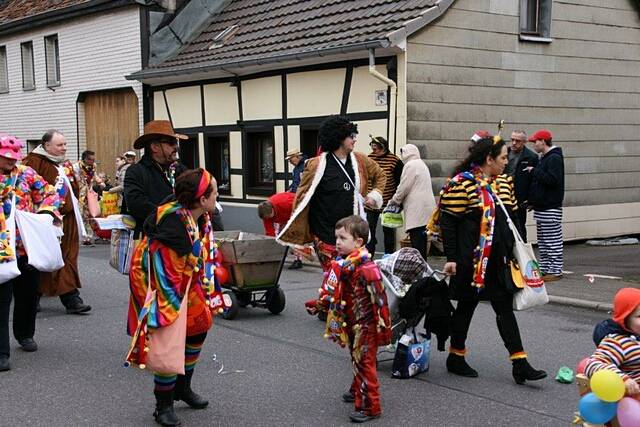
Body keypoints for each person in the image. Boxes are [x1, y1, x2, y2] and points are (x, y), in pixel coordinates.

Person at [439, 133, 546, 384]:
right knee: (466, 306)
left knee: (504, 309)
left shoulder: (505, 183)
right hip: (471, 262)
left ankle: (520, 363)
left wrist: (519, 249)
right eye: (502, 158)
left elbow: (514, 217)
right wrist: (452, 258)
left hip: (499, 261)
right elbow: (448, 222)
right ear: (489, 159)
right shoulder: (461, 184)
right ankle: (456, 356)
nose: (506, 162)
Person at [127, 169, 220, 426]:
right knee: (169, 341)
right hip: (163, 282)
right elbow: (167, 273)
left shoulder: (200, 216)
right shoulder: (173, 224)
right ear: (202, 199)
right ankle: (163, 405)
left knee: (199, 325)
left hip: (187, 278)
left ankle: (183, 387)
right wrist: (168, 311)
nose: (218, 194)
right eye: (214, 190)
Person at [276, 115, 386, 318]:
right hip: (325, 232)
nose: (354, 139)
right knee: (338, 271)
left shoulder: (361, 160)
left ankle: (327, 304)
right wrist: (299, 234)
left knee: (347, 272)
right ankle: (336, 308)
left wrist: (374, 195)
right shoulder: (316, 165)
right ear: (338, 138)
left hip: (352, 230)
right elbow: (302, 197)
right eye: (350, 136)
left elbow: (381, 175)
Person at [0, 135, 62, 372]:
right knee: (1, 300)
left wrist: (45, 212)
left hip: (25, 246)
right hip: (1, 251)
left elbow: (49, 193)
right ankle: (1, 352)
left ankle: (25, 334)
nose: (9, 162)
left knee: (27, 295)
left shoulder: (25, 173)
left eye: (12, 157)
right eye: (5, 158)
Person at [323, 215, 390, 423]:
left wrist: (384, 330)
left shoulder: (367, 268)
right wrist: (320, 303)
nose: (337, 242)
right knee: (356, 359)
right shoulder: (345, 264)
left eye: (343, 238)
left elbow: (380, 302)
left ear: (358, 242)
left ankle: (371, 406)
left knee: (365, 363)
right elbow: (336, 293)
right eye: (336, 238)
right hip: (351, 323)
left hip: (366, 326)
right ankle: (356, 390)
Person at [23, 130, 92, 314]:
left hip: (68, 219)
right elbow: (26, 189)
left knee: (67, 257)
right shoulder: (33, 162)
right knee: (45, 258)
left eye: (65, 144)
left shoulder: (64, 164)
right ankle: (37, 294)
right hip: (47, 219)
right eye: (60, 145)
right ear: (47, 146)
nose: (64, 148)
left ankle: (70, 297)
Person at [124, 120, 187, 238]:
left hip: (181, 237)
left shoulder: (181, 170)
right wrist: (169, 215)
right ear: (155, 147)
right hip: (151, 239)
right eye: (171, 143)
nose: (176, 147)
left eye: (176, 142)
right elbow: (136, 204)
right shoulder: (136, 171)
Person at [525, 129, 564, 282]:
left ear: (543, 141)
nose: (534, 144)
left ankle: (555, 270)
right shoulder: (545, 158)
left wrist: (534, 171)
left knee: (552, 240)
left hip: (550, 207)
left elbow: (553, 180)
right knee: (543, 240)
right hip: (543, 207)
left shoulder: (553, 158)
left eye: (535, 141)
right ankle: (546, 268)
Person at [585, 288, 640, 397]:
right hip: (632, 401)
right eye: (639, 316)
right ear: (625, 318)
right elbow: (593, 364)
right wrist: (623, 379)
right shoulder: (618, 342)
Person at [387, 144, 435, 261]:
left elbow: (404, 187)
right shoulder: (421, 164)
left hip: (416, 208)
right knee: (422, 243)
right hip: (426, 207)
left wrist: (394, 201)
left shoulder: (410, 165)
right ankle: (423, 270)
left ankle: (420, 272)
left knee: (417, 243)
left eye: (403, 153)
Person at [365, 136, 403, 255]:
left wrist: (396, 200)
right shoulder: (370, 158)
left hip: (388, 203)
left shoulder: (394, 160)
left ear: (383, 147)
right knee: (369, 229)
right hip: (371, 202)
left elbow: (400, 181)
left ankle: (388, 255)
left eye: (376, 148)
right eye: (372, 147)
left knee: (388, 230)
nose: (374, 151)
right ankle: (369, 254)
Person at [505, 130, 538, 241]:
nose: (514, 143)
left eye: (517, 141)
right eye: (512, 139)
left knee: (519, 226)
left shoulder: (531, 157)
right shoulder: (504, 153)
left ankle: (523, 254)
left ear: (524, 142)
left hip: (520, 198)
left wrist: (530, 199)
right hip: (503, 194)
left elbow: (534, 181)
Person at [257, 191, 302, 269]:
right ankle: (277, 257)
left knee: (296, 237)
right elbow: (270, 232)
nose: (268, 219)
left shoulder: (286, 203)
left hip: (295, 213)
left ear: (272, 210)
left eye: (269, 217)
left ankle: (298, 260)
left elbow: (300, 209)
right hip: (281, 219)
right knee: (278, 237)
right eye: (267, 218)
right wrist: (273, 241)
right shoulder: (265, 213)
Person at [73, 150, 103, 245]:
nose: (92, 161)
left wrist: (100, 182)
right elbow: (75, 179)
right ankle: (80, 236)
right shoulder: (76, 167)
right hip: (79, 193)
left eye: (93, 159)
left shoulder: (93, 166)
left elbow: (94, 175)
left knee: (89, 214)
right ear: (85, 159)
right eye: (90, 159)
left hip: (88, 193)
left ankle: (88, 237)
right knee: (80, 213)